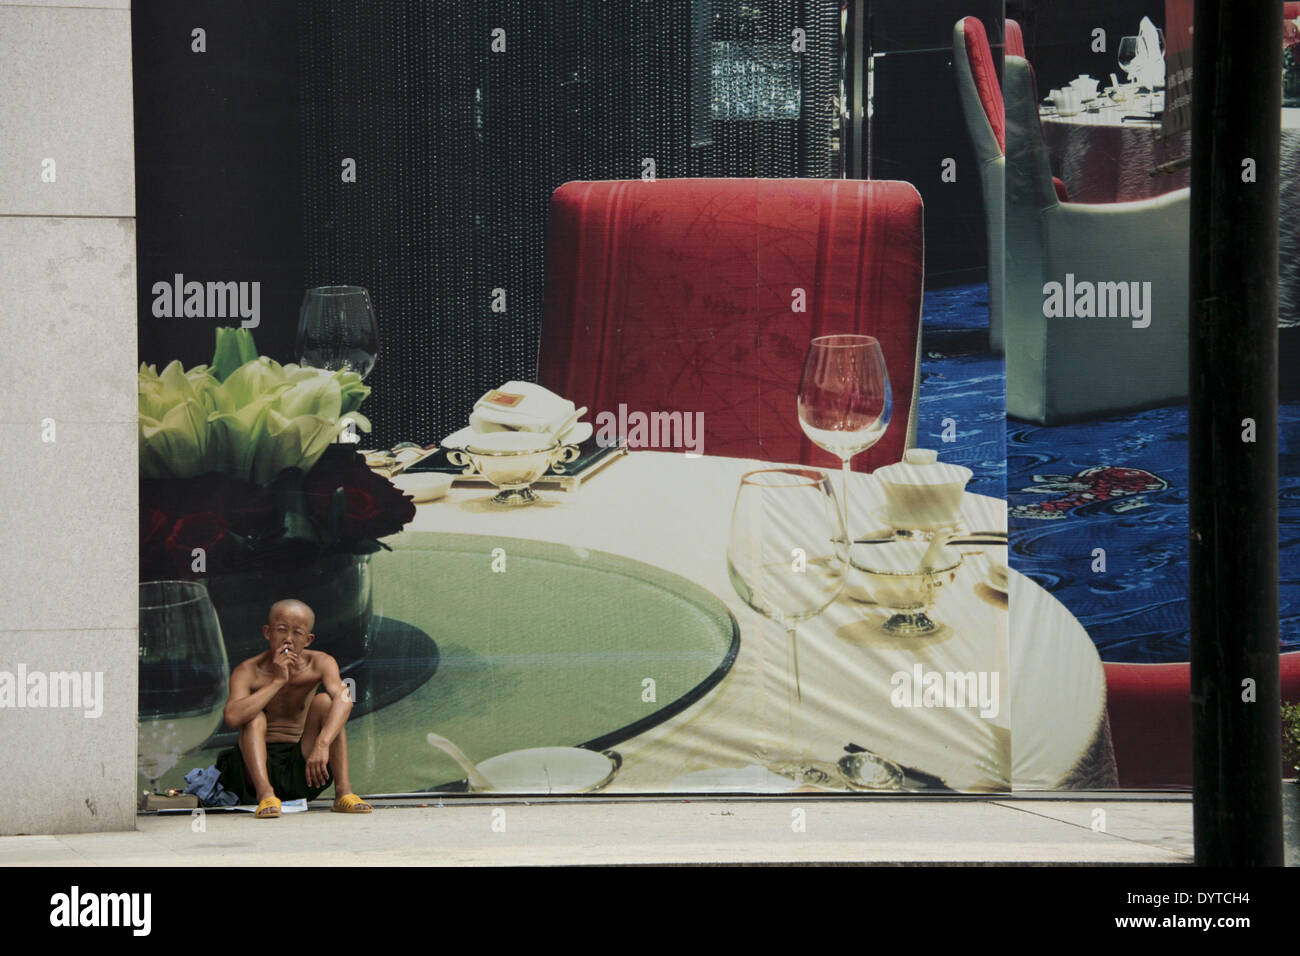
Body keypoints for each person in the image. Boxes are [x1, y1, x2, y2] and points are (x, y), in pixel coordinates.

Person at [215, 598, 372, 818]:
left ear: (308, 639)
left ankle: (343, 793)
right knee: (254, 717)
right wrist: (277, 681)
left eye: (297, 633)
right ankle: (266, 794)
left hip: (304, 764)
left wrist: (322, 744)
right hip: (253, 770)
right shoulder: (249, 670)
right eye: (281, 630)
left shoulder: (320, 663)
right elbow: (232, 717)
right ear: (267, 632)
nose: (288, 639)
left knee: (326, 703)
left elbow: (345, 699)